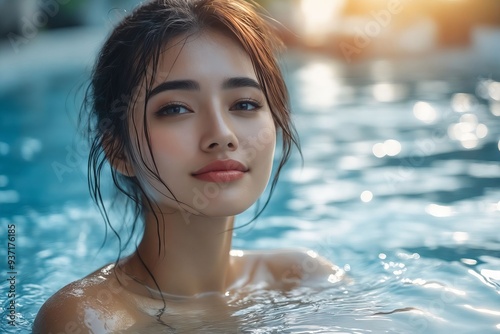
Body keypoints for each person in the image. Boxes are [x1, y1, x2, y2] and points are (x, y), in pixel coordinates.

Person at [33, 0, 343, 332]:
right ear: (118, 150)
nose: (222, 135)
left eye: (244, 103)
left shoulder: (302, 281)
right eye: (176, 109)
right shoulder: (90, 319)